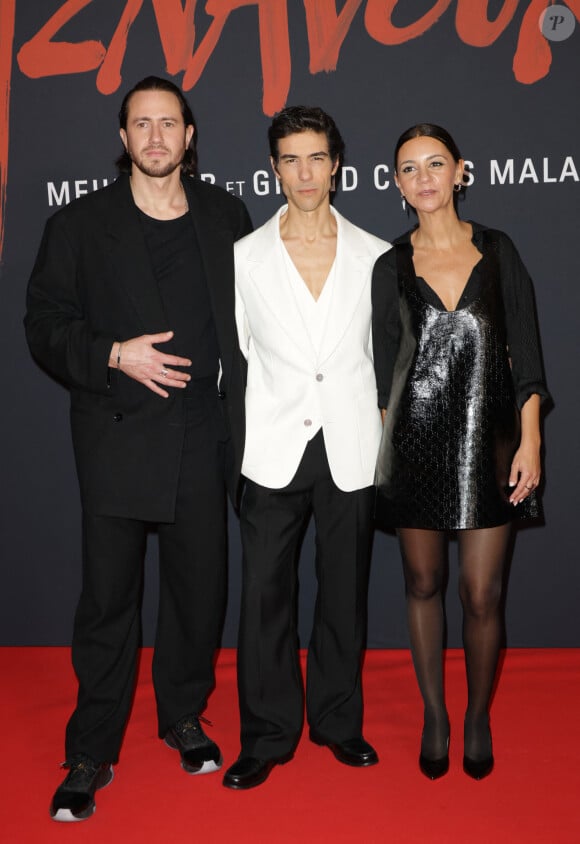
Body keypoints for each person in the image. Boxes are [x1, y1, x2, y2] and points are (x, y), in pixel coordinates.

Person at [25, 76, 252, 821]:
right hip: (117, 439)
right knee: (108, 604)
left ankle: (183, 716)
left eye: (170, 124)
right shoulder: (80, 224)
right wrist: (116, 353)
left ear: (190, 137)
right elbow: (44, 323)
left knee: (198, 596)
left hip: (201, 438)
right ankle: (91, 749)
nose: (156, 137)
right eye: (141, 125)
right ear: (123, 139)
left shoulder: (226, 215)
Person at [372, 123, 548, 781]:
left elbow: (527, 355)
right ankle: (434, 716)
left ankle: (476, 716)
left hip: (489, 444)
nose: (424, 177)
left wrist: (530, 442)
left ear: (459, 172)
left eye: (435, 164)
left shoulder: (499, 252)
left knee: (481, 594)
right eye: (409, 168)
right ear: (397, 184)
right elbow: (382, 368)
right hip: (412, 446)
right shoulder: (388, 266)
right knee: (423, 584)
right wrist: (382, 458)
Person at [222, 106, 390, 790]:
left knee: (344, 592)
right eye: (290, 159)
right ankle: (266, 734)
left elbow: (385, 360)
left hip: (350, 443)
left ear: (337, 164)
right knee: (263, 594)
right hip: (271, 445)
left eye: (316, 157)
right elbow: (237, 357)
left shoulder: (377, 254)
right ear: (273, 169)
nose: (304, 173)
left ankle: (338, 722)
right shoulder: (244, 256)